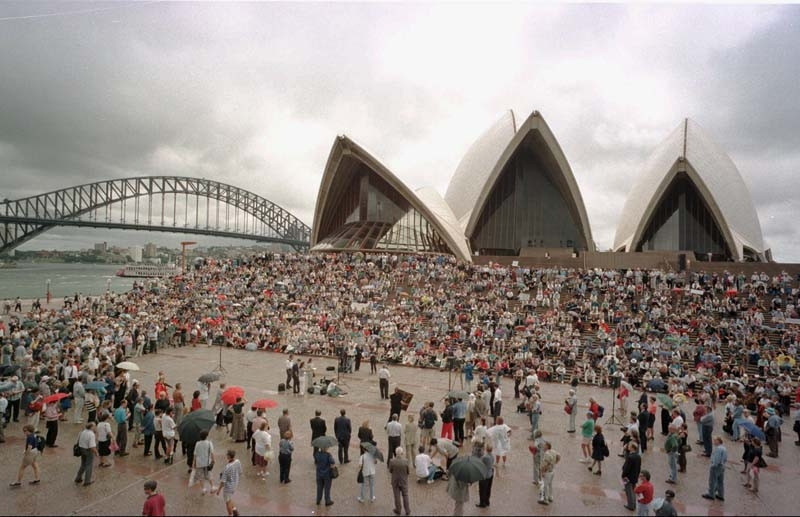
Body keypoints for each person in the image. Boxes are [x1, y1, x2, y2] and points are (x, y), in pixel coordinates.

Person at [217, 449, 243, 517]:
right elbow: (240, 472)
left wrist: (219, 490)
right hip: (235, 484)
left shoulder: (227, 467)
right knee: (229, 498)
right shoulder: (238, 461)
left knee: (227, 502)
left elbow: (223, 481)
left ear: (228, 456)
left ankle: (230, 514)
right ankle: (235, 510)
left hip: (228, 487)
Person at [702, 436, 727, 502]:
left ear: (718, 441)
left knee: (712, 481)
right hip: (722, 466)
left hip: (716, 466)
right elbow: (725, 458)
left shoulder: (718, 449)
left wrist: (713, 465)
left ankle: (711, 494)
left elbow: (717, 459)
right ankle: (721, 495)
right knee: (720, 481)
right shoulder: (724, 448)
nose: (714, 442)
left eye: (715, 440)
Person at [389, 446, 411, 516]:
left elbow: (390, 470)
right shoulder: (406, 461)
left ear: (395, 453)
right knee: (405, 495)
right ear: (402, 453)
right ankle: (407, 510)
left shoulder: (392, 461)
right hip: (404, 480)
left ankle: (398, 510)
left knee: (397, 496)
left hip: (395, 481)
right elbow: (408, 472)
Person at [192, 430, 216, 494]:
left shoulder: (197, 443)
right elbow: (212, 453)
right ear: (206, 436)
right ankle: (212, 487)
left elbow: (195, 454)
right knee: (209, 474)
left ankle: (203, 489)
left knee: (200, 476)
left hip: (199, 463)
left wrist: (193, 463)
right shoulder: (209, 443)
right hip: (207, 462)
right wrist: (213, 460)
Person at [75, 422, 98, 486]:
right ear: (91, 427)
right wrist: (96, 452)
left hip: (82, 449)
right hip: (88, 450)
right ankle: (87, 481)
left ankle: (78, 477)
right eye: (95, 426)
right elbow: (92, 446)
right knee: (89, 465)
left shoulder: (82, 431)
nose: (95, 427)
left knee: (83, 464)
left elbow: (77, 440)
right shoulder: (91, 434)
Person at [538, 441, 560, 505]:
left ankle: (545, 499)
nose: (543, 447)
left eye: (544, 445)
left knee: (545, 486)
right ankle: (550, 497)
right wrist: (555, 462)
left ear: (547, 446)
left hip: (547, 472)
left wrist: (542, 472)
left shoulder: (547, 454)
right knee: (550, 485)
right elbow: (559, 456)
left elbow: (545, 464)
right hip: (552, 471)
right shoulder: (553, 451)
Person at [622, 442, 642, 510]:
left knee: (629, 491)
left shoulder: (630, 457)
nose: (628, 447)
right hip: (635, 476)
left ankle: (630, 505)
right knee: (633, 491)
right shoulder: (638, 456)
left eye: (629, 446)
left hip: (628, 477)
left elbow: (627, 468)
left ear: (632, 448)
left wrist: (623, 475)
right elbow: (639, 467)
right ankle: (634, 504)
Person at [477, 443, 494, 508]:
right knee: (488, 489)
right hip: (490, 474)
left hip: (484, 475)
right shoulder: (492, 456)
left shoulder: (485, 457)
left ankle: (482, 503)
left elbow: (479, 462)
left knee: (482, 490)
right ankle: (487, 501)